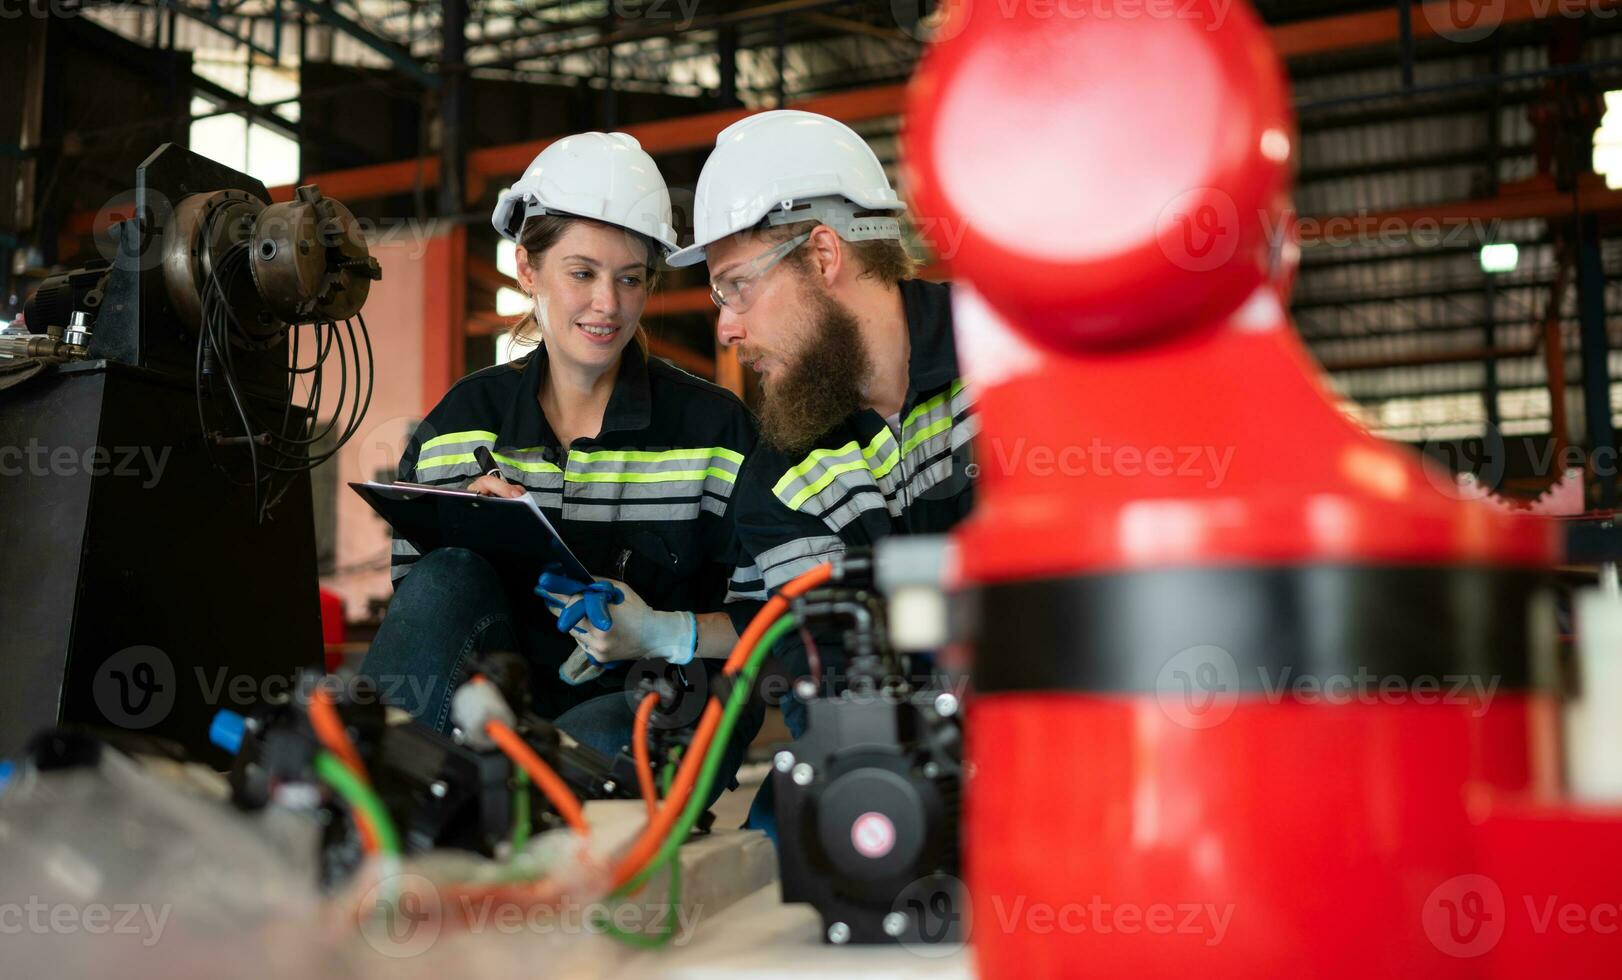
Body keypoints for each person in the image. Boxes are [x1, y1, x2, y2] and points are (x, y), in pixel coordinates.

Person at [361, 133, 758, 800]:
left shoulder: (715, 432)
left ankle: (480, 795)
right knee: (447, 573)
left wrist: (667, 633)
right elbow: (424, 616)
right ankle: (356, 794)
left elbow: (777, 616)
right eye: (582, 273)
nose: (608, 304)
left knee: (574, 762)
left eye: (631, 278)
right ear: (526, 268)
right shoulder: (460, 425)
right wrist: (473, 529)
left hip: (657, 702)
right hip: (503, 703)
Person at [667, 110, 976, 829]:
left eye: (736, 286)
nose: (725, 326)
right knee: (782, 838)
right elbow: (828, 677)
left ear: (824, 255)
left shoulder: (1012, 363)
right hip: (894, 769)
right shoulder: (780, 471)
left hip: (1065, 747)